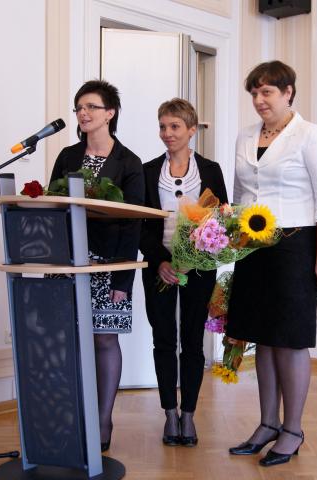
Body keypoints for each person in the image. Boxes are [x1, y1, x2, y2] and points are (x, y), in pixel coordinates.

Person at [226, 61, 317, 467]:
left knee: (289, 340)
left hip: (295, 246)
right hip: (253, 246)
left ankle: (293, 429)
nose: (260, 100)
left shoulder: (311, 135)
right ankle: (267, 423)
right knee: (262, 336)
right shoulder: (245, 136)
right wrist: (230, 239)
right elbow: (240, 195)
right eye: (254, 93)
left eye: (267, 92)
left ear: (288, 92)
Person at [49, 80, 144, 452]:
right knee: (69, 340)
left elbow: (133, 222)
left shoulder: (129, 162)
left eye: (90, 106)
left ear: (110, 113)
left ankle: (103, 420)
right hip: (69, 264)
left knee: (104, 339)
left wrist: (122, 278)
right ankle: (73, 416)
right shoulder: (68, 156)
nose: (83, 113)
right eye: (78, 107)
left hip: (109, 266)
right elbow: (54, 206)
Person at [140, 98, 228, 447]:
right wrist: (160, 261)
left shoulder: (211, 170)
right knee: (163, 339)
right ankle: (169, 414)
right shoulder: (147, 171)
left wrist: (197, 254)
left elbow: (220, 219)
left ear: (192, 130)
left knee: (192, 341)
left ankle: (188, 415)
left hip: (200, 267)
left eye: (175, 126)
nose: (167, 133)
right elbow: (140, 224)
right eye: (163, 126)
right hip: (158, 268)